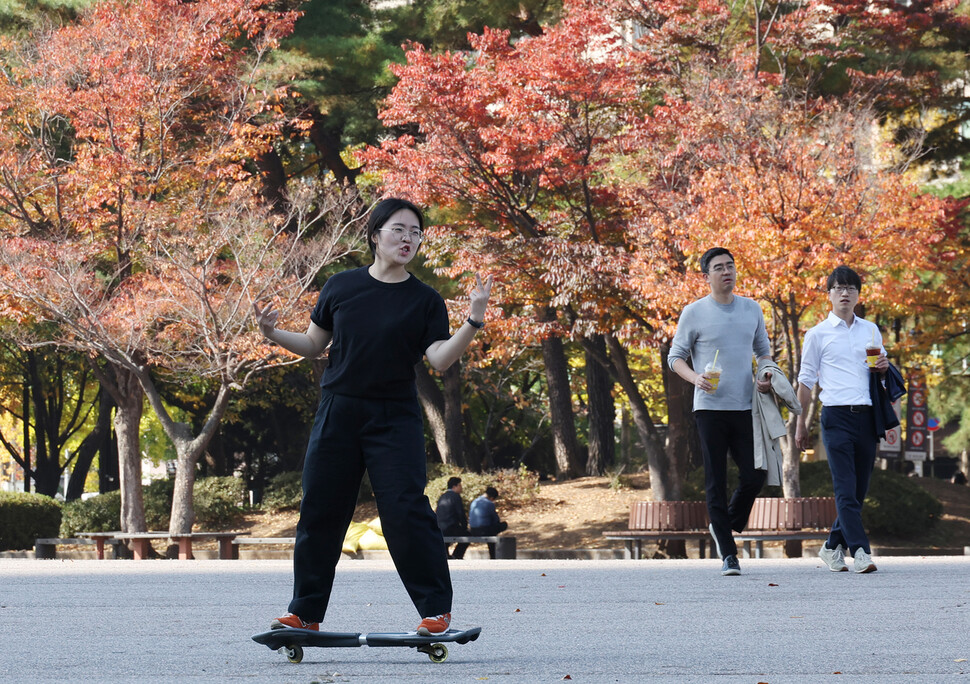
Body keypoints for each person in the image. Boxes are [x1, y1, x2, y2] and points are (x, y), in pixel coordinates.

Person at [253, 197, 492, 635]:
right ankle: (304, 613)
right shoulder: (340, 287)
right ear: (375, 235)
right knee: (321, 510)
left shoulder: (425, 300)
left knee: (405, 510)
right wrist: (271, 333)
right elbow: (313, 345)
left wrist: (472, 320)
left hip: (394, 417)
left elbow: (439, 360)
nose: (408, 239)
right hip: (338, 410)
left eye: (416, 233)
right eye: (400, 229)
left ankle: (436, 611)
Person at [668, 247, 773, 576]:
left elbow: (764, 354)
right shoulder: (694, 312)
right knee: (716, 480)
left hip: (745, 407)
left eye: (730, 266)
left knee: (755, 475)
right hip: (710, 409)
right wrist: (695, 378)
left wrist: (766, 376)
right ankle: (729, 554)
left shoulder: (751, 309)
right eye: (719, 267)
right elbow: (675, 358)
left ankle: (723, 525)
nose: (726, 271)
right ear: (707, 275)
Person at [796, 266, 888, 574]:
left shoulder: (871, 330)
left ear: (859, 295)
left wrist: (884, 368)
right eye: (839, 288)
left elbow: (881, 378)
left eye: (851, 288)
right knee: (846, 490)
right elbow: (806, 383)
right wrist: (800, 425)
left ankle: (831, 546)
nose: (845, 293)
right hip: (835, 417)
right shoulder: (817, 334)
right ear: (829, 295)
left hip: (865, 417)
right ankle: (861, 552)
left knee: (858, 492)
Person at [468, 486, 508, 559]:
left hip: (473, 530)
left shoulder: (474, 501)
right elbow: (496, 520)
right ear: (492, 498)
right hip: (484, 531)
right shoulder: (489, 504)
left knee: (492, 529)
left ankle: (493, 554)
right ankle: (493, 555)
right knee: (502, 525)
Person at [436, 477, 469, 559]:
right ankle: (457, 555)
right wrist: (465, 526)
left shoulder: (442, 496)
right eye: (460, 485)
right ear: (455, 486)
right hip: (451, 527)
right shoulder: (455, 496)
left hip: (439, 527)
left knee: (445, 539)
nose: (461, 487)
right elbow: (460, 513)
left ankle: (446, 555)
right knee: (468, 535)